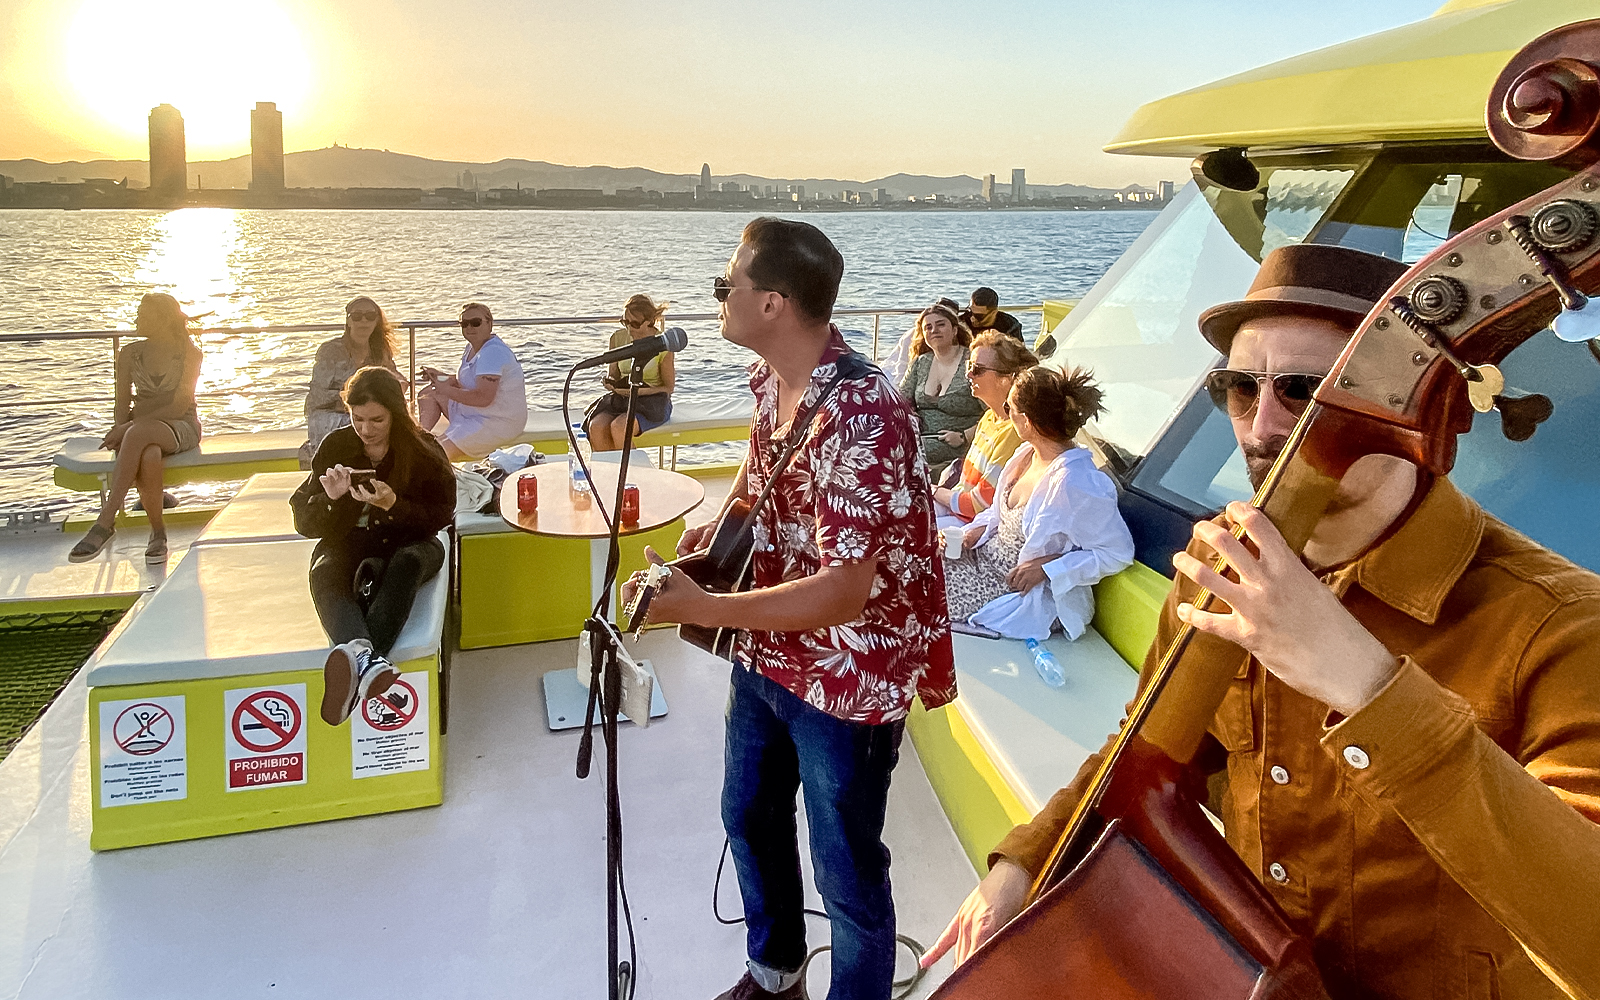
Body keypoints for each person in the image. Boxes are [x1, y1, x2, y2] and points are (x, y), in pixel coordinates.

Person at [922, 244, 1600, 999]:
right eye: (1239, 389)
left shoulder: (1557, 624)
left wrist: (1368, 684)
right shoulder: (1223, 566)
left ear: (1417, 407)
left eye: (1306, 391)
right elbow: (1154, 750)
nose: (1261, 425)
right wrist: (1027, 860)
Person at [621, 218, 956, 1000]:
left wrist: (705, 606)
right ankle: (775, 978)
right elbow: (761, 468)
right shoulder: (776, 381)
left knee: (845, 870)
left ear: (772, 302)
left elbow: (846, 590)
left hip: (850, 671)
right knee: (751, 817)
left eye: (725, 285)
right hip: (772, 650)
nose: (718, 296)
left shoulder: (865, 412)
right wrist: (721, 522)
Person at [290, 367, 456, 727]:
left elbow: (441, 516)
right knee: (324, 571)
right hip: (349, 540)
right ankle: (368, 664)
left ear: (396, 413)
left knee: (408, 563)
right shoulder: (336, 446)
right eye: (358, 418)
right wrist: (332, 501)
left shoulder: (424, 450)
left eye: (377, 419)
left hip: (412, 542)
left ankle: (356, 664)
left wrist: (394, 505)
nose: (366, 429)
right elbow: (304, 521)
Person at [943, 366, 1134, 639]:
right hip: (981, 560)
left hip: (1011, 588)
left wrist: (1048, 568)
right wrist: (974, 532)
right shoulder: (1026, 455)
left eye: (1009, 407)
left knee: (914, 593)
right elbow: (998, 514)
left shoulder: (1077, 483)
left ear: (1027, 421)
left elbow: (1117, 554)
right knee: (909, 561)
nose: (1006, 412)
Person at [69, 292, 203, 565]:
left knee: (138, 435)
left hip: (181, 425)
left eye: (143, 315)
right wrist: (123, 428)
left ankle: (105, 521)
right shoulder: (129, 354)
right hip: (138, 432)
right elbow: (121, 403)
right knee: (149, 456)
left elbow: (179, 405)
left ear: (163, 319)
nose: (136, 318)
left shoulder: (189, 354)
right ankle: (157, 534)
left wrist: (128, 428)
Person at [931, 331, 1036, 528]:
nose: (969, 374)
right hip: (955, 505)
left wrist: (935, 491)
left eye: (977, 369)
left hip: (973, 523)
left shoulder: (1014, 433)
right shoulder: (989, 417)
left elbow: (977, 505)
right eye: (969, 366)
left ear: (1005, 378)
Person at [300, 296, 403, 467]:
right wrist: (350, 401)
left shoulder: (380, 351)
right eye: (357, 316)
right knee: (360, 424)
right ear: (348, 321)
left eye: (370, 316)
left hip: (366, 411)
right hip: (328, 412)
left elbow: (393, 380)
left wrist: (399, 384)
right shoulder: (330, 351)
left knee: (398, 423)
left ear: (377, 321)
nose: (363, 320)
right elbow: (318, 395)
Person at [417, 302, 527, 460]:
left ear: (490, 324)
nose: (470, 328)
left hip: (495, 421)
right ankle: (421, 436)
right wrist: (439, 377)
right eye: (464, 324)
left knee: (436, 453)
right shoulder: (472, 347)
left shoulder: (493, 352)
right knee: (428, 394)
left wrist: (446, 389)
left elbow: (483, 398)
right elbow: (464, 380)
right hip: (474, 413)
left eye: (476, 323)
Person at [898, 300, 985, 479]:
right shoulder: (921, 363)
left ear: (954, 330)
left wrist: (964, 436)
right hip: (921, 438)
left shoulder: (972, 363)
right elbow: (900, 403)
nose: (934, 330)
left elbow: (997, 413)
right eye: (928, 327)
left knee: (897, 456)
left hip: (958, 443)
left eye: (940, 325)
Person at [583, 293, 676, 450]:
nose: (629, 328)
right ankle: (608, 472)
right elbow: (614, 373)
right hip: (622, 398)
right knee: (596, 427)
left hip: (652, 402)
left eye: (635, 324)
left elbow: (668, 388)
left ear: (649, 322)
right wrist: (611, 382)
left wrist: (638, 392)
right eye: (625, 322)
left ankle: (633, 473)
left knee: (620, 428)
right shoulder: (617, 338)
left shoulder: (662, 344)